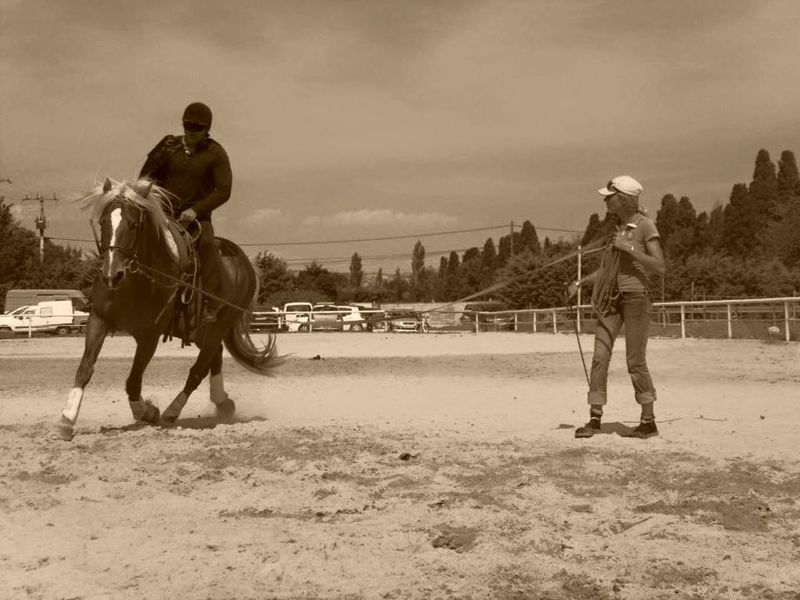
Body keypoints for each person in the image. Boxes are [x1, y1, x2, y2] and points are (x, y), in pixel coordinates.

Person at [567, 175, 666, 439]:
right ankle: (594, 418)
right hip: (610, 298)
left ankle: (648, 421)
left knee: (635, 360)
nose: (604, 201)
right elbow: (606, 270)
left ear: (622, 199)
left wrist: (631, 247)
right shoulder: (617, 230)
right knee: (600, 357)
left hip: (636, 298)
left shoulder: (645, 226)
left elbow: (659, 266)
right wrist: (580, 282)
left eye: (609, 197)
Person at [139, 102, 232, 324]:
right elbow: (145, 175)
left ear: (206, 130)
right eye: (187, 126)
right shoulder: (168, 145)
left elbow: (224, 190)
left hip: (196, 217)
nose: (190, 132)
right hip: (162, 212)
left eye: (196, 129)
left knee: (208, 245)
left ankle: (212, 302)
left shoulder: (216, 153)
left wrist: (196, 210)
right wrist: (144, 189)